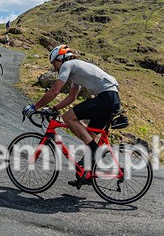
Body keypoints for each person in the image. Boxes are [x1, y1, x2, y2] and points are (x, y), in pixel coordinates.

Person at [23, 45, 120, 188]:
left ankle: (96, 150)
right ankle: (86, 175)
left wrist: (34, 107)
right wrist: (54, 108)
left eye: (54, 63)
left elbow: (55, 91)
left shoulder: (68, 65)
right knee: (89, 136)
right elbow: (72, 97)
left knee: (68, 117)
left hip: (106, 97)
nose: (55, 68)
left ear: (60, 59)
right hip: (111, 98)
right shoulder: (77, 70)